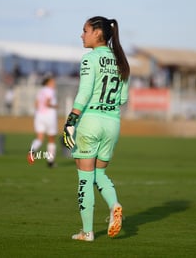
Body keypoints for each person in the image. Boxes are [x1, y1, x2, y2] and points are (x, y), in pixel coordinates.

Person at [63, 16, 130, 241]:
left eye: (85, 30)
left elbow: (84, 93)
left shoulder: (89, 58)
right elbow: (123, 98)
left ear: (97, 33)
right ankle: (114, 205)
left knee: (84, 178)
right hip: (112, 123)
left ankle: (87, 232)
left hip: (90, 122)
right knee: (99, 173)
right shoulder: (121, 60)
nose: (81, 35)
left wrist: (71, 120)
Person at [28, 75, 58, 167]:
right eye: (53, 82)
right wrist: (56, 106)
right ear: (48, 83)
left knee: (40, 138)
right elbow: (47, 103)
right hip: (49, 116)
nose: (54, 84)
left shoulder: (41, 91)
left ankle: (32, 151)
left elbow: (36, 104)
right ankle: (50, 162)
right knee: (51, 139)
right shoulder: (50, 90)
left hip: (39, 116)